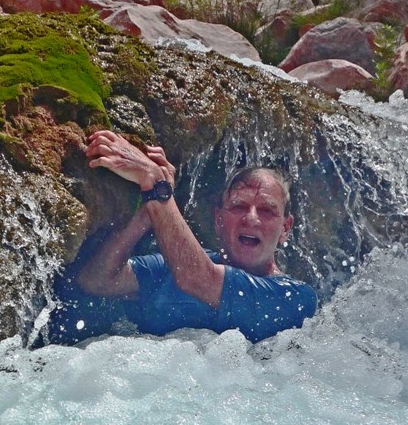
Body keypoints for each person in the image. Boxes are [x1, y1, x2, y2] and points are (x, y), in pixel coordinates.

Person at [66, 129, 317, 343]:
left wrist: (155, 185)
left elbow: (198, 279)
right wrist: (148, 211)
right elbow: (97, 281)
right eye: (239, 206)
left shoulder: (295, 299)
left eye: (267, 211)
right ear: (218, 220)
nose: (251, 218)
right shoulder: (175, 264)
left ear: (285, 228)